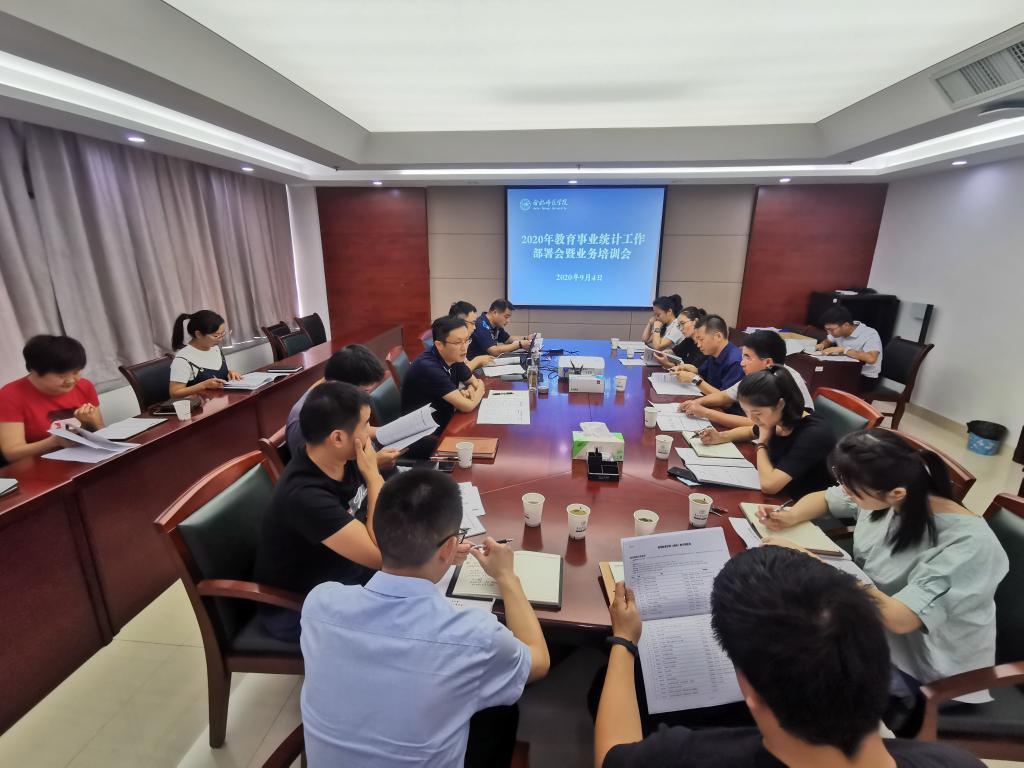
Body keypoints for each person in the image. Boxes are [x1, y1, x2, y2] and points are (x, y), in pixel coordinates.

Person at [594, 546, 984, 767]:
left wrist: (624, 641)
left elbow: (612, 754)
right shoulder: (959, 763)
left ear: (749, 689)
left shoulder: (681, 757)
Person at [301, 469, 550, 767]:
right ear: (449, 547)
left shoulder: (319, 604)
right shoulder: (476, 638)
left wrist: (440, 558)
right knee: (501, 711)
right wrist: (507, 576)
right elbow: (539, 661)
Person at [758, 429, 1009, 725]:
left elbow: (900, 619)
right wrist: (791, 515)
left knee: (794, 680)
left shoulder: (969, 544)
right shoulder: (890, 493)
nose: (845, 493)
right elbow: (826, 498)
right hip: (868, 622)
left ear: (896, 493)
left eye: (852, 491)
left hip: (927, 668)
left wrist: (813, 566)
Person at [254, 382, 384, 641]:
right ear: (337, 438)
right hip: (299, 609)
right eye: (365, 425)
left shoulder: (338, 458)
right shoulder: (305, 495)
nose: (370, 433)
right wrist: (373, 477)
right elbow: (381, 557)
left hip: (343, 573)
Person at [699, 367, 835, 497]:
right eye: (746, 412)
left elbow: (769, 486)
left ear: (780, 404)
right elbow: (749, 431)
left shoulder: (814, 434)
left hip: (799, 502)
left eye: (757, 413)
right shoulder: (778, 417)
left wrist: (761, 444)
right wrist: (720, 436)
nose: (752, 419)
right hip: (780, 494)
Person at [283, 344, 400, 470]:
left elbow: (359, 430)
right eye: (365, 391)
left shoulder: (335, 392)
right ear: (341, 385)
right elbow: (327, 474)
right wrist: (374, 463)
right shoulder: (306, 422)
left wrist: (391, 431)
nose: (364, 397)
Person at [0, 335, 104, 463]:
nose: (70, 380)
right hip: (38, 466)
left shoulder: (84, 386)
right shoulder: (10, 395)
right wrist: (53, 442)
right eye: (61, 375)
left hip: (84, 460)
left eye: (76, 372)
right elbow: (11, 453)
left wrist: (91, 423)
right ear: (35, 371)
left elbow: (101, 429)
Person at [680, 330, 813, 429]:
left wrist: (706, 412)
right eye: (743, 356)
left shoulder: (784, 381)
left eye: (748, 357)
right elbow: (725, 396)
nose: (742, 363)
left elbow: (758, 424)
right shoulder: (760, 375)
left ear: (768, 362)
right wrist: (695, 402)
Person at [402, 315, 486, 430]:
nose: (464, 348)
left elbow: (472, 382)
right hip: (424, 431)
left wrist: (471, 390)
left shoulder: (454, 356)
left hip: (446, 417)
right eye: (458, 342)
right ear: (439, 345)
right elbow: (468, 406)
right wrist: (480, 389)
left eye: (467, 340)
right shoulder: (428, 367)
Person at [168, 310, 241, 396]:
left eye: (222, 334)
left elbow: (214, 371)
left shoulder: (215, 348)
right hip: (203, 404)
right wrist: (204, 385)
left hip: (225, 399)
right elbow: (174, 393)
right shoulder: (182, 359)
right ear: (198, 334)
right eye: (216, 335)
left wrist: (229, 373)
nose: (220, 339)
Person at [667, 315, 743, 395]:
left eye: (701, 339)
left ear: (718, 336)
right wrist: (685, 367)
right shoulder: (713, 353)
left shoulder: (736, 361)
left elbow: (725, 398)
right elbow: (701, 373)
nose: (698, 345)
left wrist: (694, 379)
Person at [815, 306, 884, 391]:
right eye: (826, 329)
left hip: (864, 377)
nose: (829, 332)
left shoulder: (870, 334)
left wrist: (844, 349)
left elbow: (871, 358)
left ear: (846, 325)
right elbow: (828, 340)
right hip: (844, 371)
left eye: (831, 330)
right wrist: (822, 344)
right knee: (816, 377)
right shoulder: (838, 330)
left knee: (821, 383)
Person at [468, 299, 532, 359]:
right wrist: (519, 345)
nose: (508, 321)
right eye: (506, 317)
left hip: (488, 361)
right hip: (476, 364)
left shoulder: (496, 325)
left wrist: (526, 338)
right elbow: (493, 351)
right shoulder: (481, 325)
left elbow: (507, 339)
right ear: (495, 313)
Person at [448, 300, 494, 371]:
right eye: (473, 323)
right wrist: (478, 360)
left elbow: (465, 364)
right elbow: (460, 372)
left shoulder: (463, 340)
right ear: (460, 322)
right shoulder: (450, 342)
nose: (475, 327)